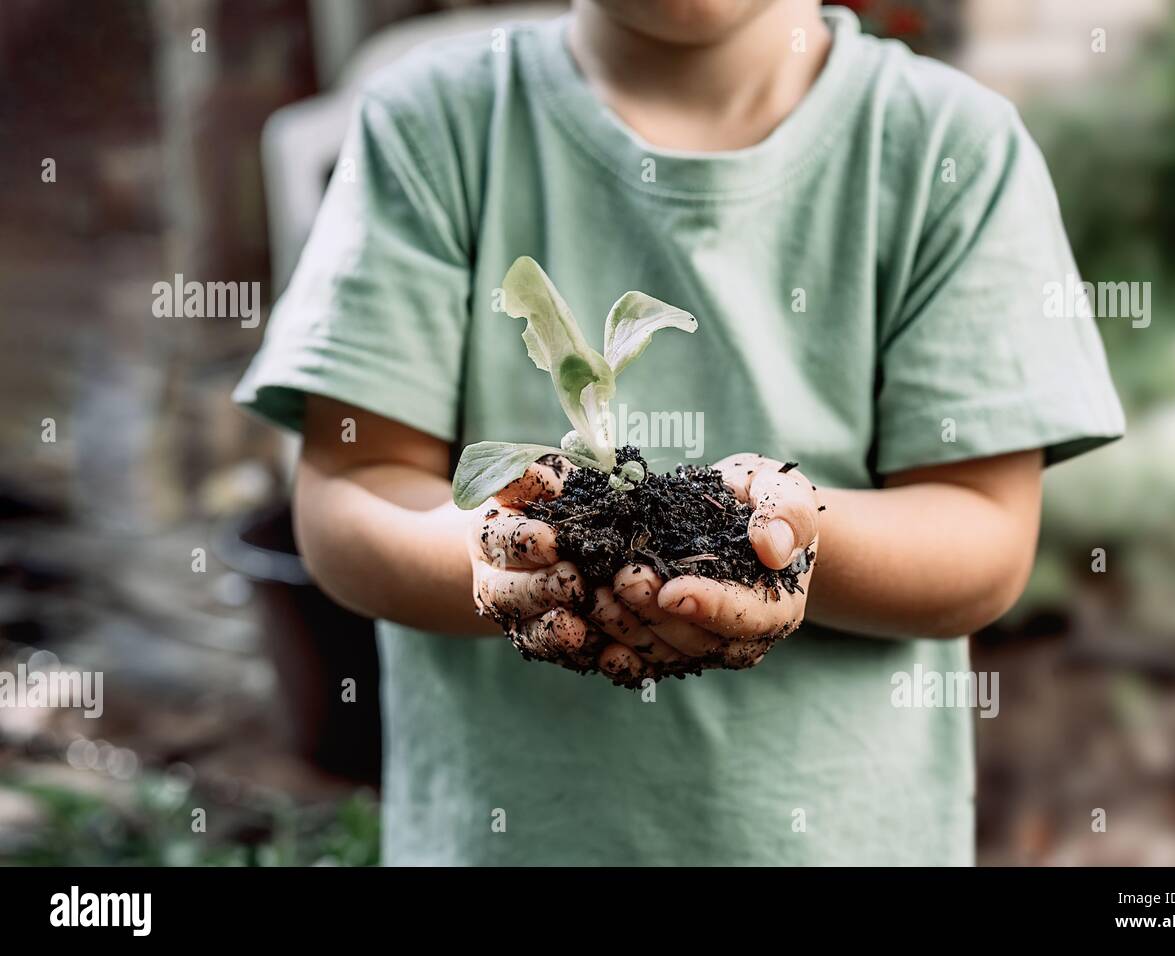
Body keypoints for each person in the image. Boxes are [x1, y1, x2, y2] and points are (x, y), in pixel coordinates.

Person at [235, 0, 1124, 865]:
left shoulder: (953, 148)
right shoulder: (430, 122)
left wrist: (793, 543)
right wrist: (509, 560)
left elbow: (984, 530)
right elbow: (352, 493)